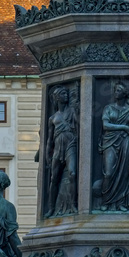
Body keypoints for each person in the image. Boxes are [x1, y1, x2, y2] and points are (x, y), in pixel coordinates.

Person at [94, 82, 129, 211]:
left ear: (124, 94)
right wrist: (123, 127)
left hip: (126, 143)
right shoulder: (108, 108)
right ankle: (106, 201)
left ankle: (121, 203)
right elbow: (105, 125)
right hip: (110, 142)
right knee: (109, 173)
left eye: (118, 90)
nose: (115, 93)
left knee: (125, 174)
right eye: (115, 90)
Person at [45, 85, 79, 217]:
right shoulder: (52, 118)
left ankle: (73, 205)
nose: (66, 96)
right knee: (54, 178)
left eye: (66, 93)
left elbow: (79, 126)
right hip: (58, 148)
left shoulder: (72, 112)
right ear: (57, 97)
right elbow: (49, 139)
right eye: (63, 94)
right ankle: (51, 208)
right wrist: (48, 154)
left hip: (71, 144)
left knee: (72, 173)